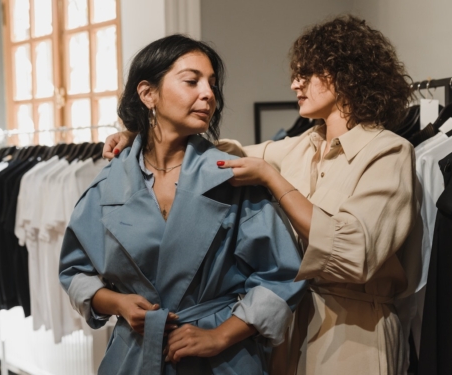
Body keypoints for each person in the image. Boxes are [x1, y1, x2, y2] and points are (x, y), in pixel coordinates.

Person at [103, 16, 422, 375]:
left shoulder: (389, 152)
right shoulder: (303, 147)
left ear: (344, 74)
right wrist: (144, 135)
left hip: (355, 333)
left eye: (307, 74)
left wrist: (273, 179)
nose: (294, 83)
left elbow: (355, 254)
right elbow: (223, 154)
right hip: (291, 329)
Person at [59, 34, 306, 374]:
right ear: (148, 94)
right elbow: (75, 272)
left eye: (212, 85)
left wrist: (220, 336)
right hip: (135, 354)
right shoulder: (108, 186)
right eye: (192, 81)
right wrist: (117, 303)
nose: (208, 94)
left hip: (223, 359)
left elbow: (282, 275)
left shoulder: (231, 178)